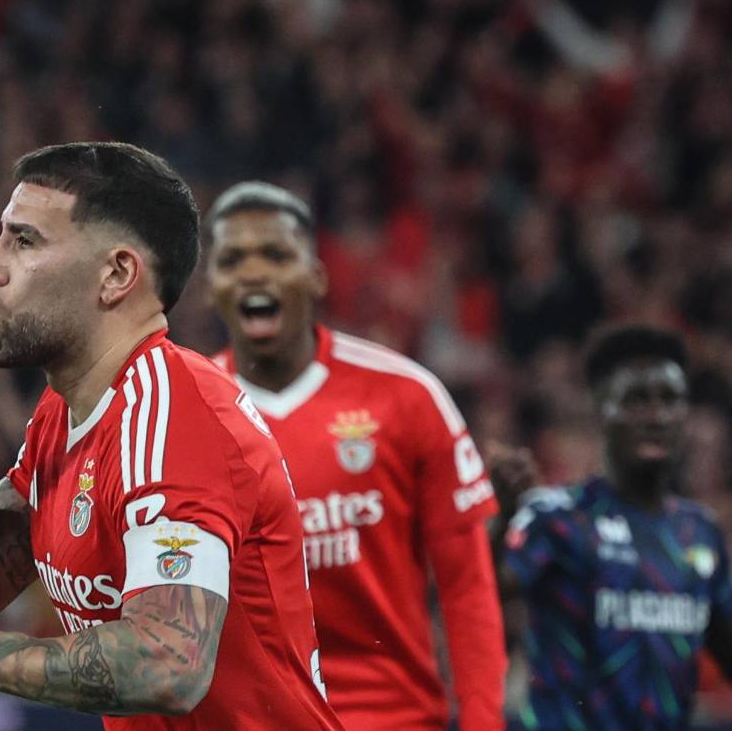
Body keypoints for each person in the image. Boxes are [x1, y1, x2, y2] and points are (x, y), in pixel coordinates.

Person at [0, 142, 344, 729]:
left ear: (116, 275)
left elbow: (168, 663)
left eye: (24, 241)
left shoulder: (177, 418)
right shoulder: (63, 413)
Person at [204, 181, 506, 730]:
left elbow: (467, 586)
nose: (254, 273)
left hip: (393, 718)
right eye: (232, 260)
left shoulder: (408, 396)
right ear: (210, 286)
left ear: (317, 276)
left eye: (275, 255)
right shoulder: (185, 412)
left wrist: (484, 722)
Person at [500, 325, 732, 730]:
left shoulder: (700, 533)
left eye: (670, 399)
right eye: (636, 400)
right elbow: (485, 588)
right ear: (598, 407)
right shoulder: (557, 518)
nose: (656, 416)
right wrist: (500, 520)